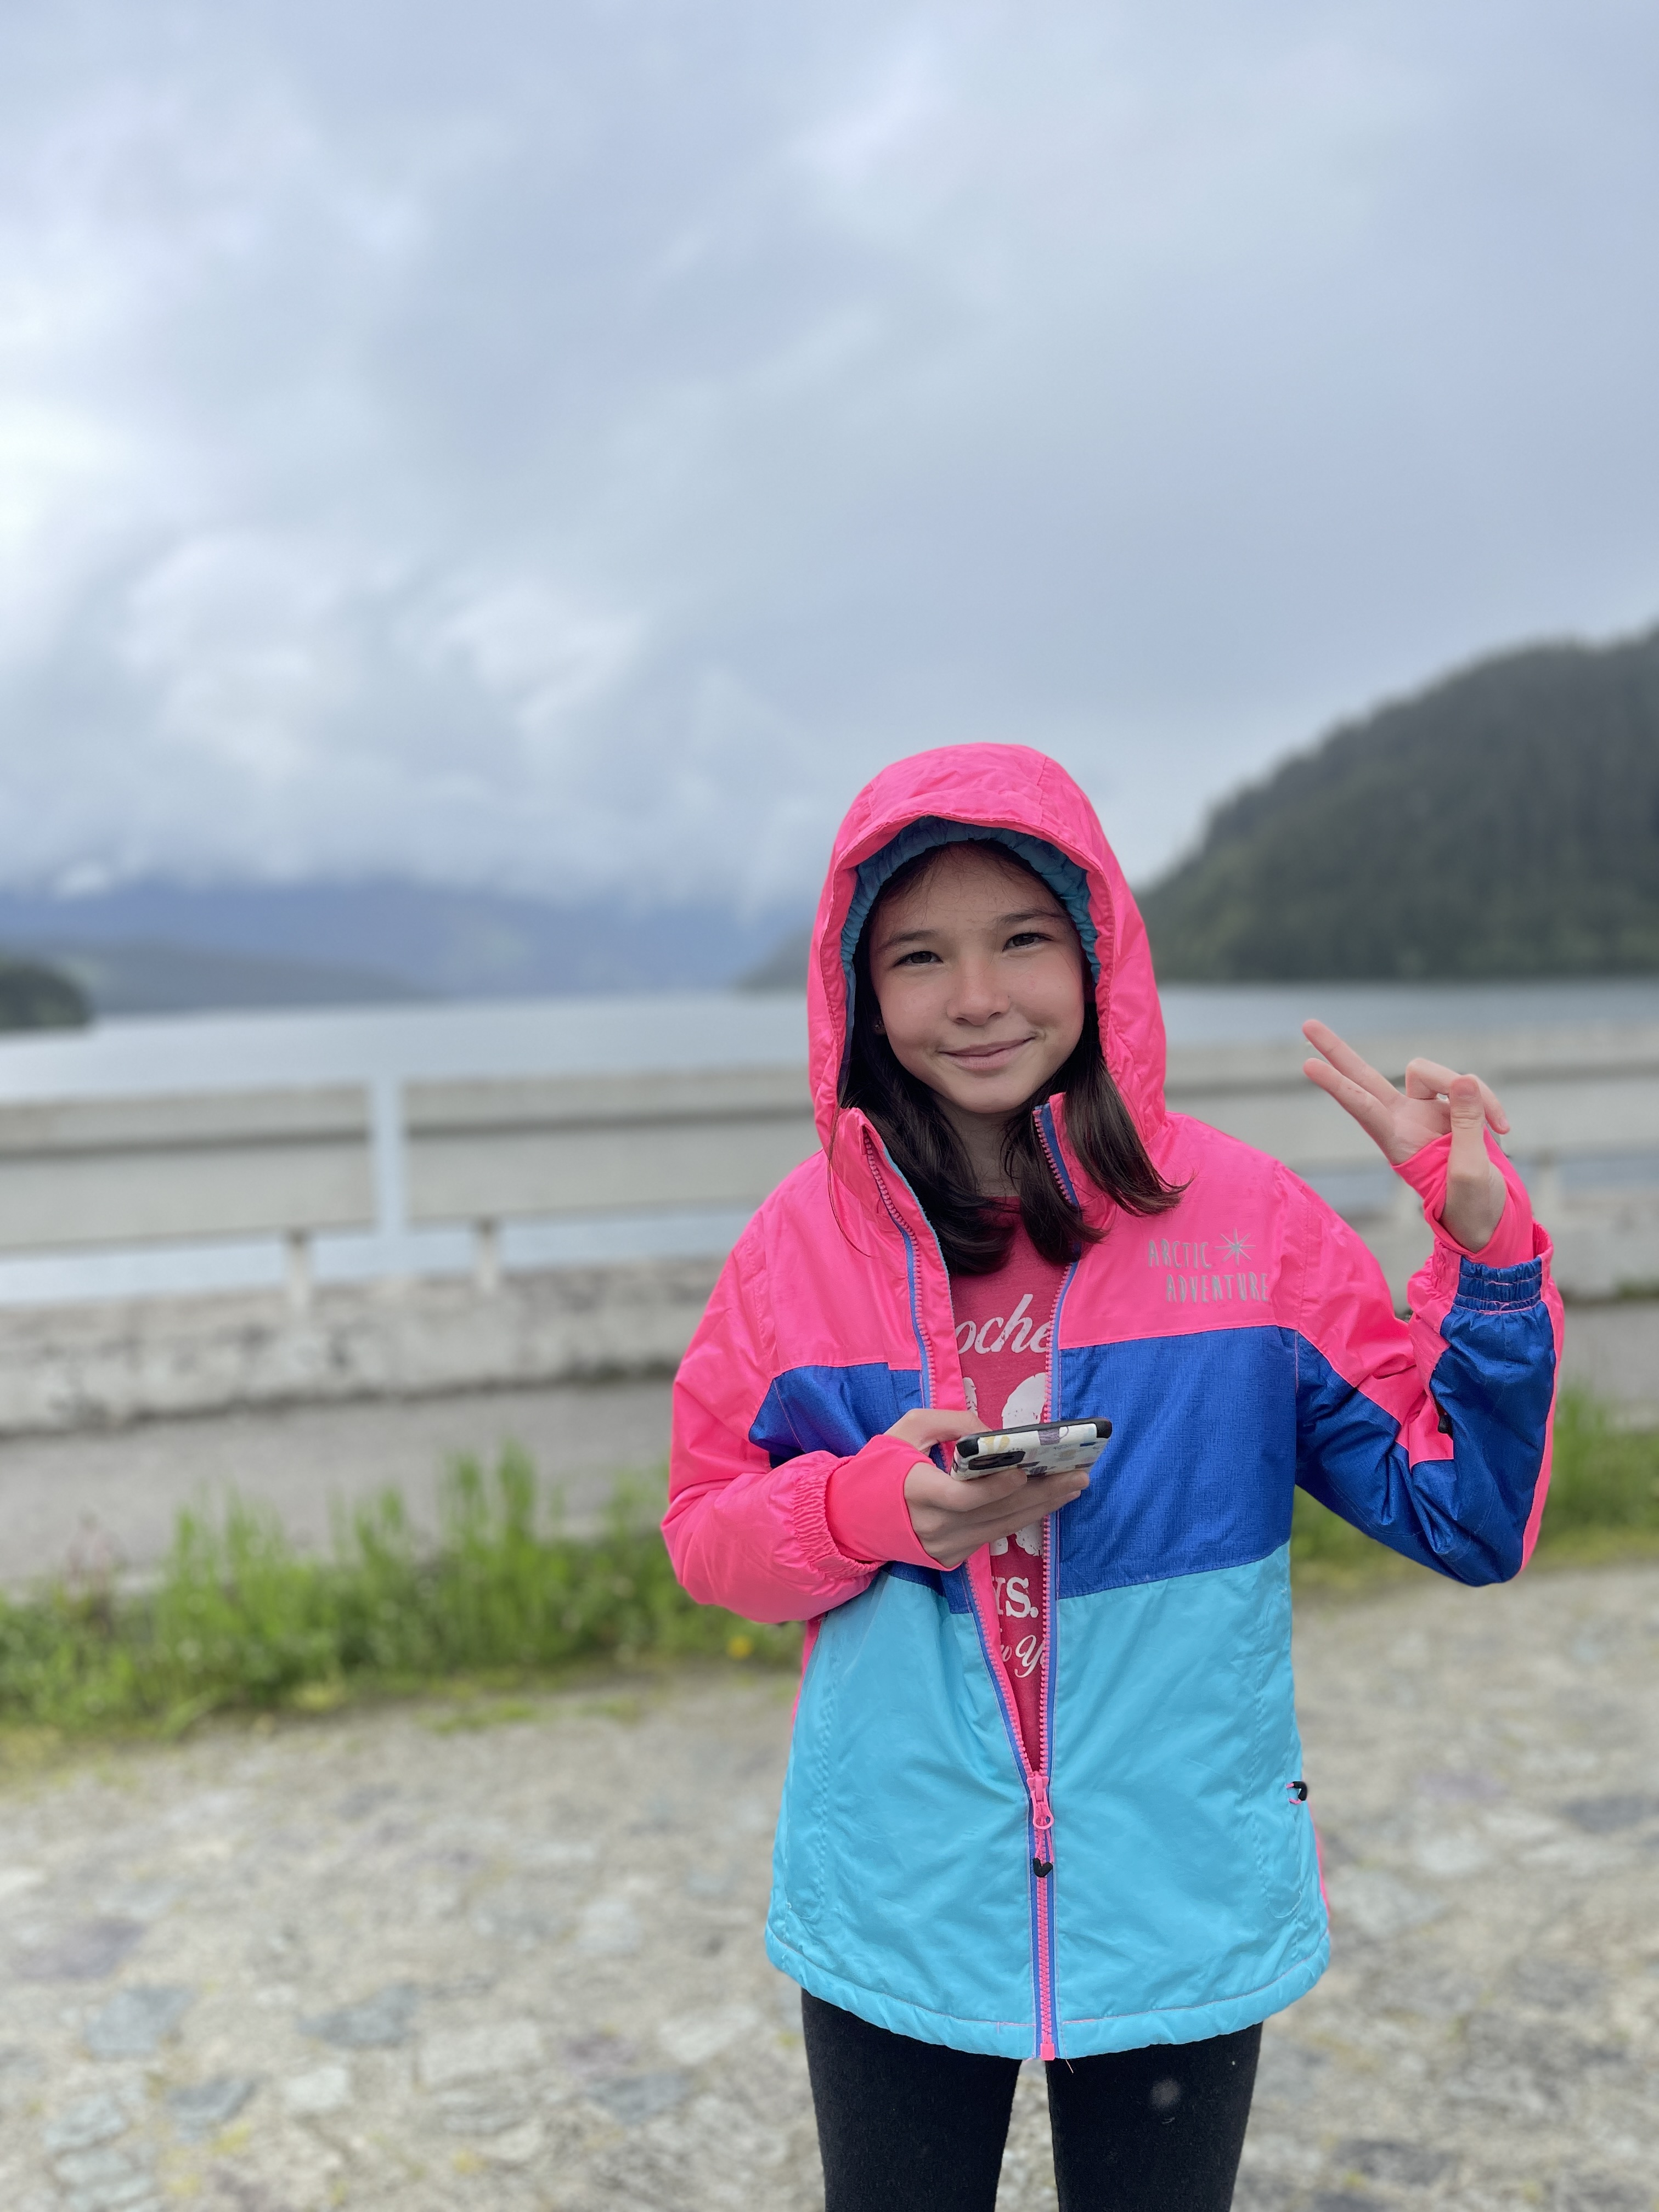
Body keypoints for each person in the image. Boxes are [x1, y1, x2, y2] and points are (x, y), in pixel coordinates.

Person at [665, 745, 1561, 2212]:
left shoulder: (1246, 1220)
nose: (978, 997)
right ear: (859, 994)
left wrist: (1487, 1248)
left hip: (1178, 1879)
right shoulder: (797, 1247)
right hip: (899, 1881)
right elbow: (706, 1535)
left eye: (1023, 939)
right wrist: (870, 1509)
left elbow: (1464, 1514)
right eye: (920, 955)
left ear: (1098, 956)